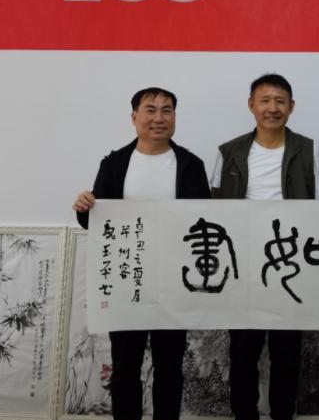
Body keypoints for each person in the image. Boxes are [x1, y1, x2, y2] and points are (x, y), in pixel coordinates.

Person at [72, 87, 211, 420]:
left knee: (170, 367)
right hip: (125, 280)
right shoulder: (114, 164)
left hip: (173, 283)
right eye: (150, 110)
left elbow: (204, 223)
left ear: (175, 117)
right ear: (134, 117)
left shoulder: (191, 165)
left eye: (167, 110)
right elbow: (96, 222)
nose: (159, 118)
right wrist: (84, 207)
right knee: (125, 366)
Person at [211, 73, 319, 420]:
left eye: (280, 101)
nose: (272, 108)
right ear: (252, 105)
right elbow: (214, 208)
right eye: (265, 101)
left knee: (287, 353)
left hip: (290, 267)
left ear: (291, 107)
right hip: (243, 269)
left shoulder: (309, 150)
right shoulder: (229, 152)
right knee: (242, 352)